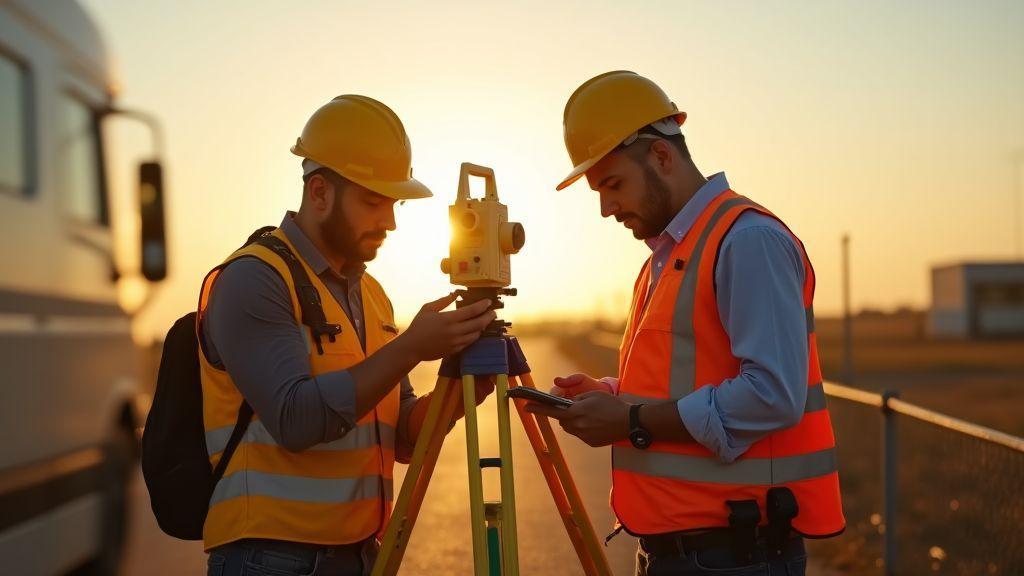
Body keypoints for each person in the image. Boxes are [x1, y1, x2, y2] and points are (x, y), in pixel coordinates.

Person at [526, 71, 845, 576]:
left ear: (660, 157)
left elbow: (772, 395)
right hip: (680, 552)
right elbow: (688, 378)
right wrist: (614, 395)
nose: (606, 208)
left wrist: (629, 422)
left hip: (739, 554)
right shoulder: (667, 257)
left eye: (613, 184)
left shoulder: (747, 241)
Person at [199, 95, 495, 576]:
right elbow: (295, 419)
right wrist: (412, 347)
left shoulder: (371, 294)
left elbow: (399, 439)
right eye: (373, 202)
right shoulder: (256, 277)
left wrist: (461, 392)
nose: (390, 222)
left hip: (358, 555)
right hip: (271, 559)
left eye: (394, 203)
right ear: (319, 192)